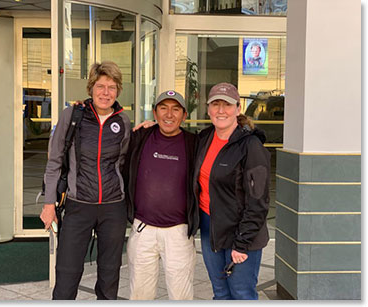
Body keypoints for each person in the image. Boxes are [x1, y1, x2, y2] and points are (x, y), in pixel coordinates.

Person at [40, 61, 131, 300]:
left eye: (112, 87)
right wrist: (49, 204)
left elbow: (122, 162)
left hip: (113, 208)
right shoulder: (73, 116)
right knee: (67, 274)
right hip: (79, 206)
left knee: (110, 276)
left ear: (118, 90)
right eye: (100, 86)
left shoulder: (123, 122)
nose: (105, 92)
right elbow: (54, 162)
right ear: (91, 88)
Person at [193, 82, 270, 300]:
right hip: (211, 228)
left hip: (242, 231)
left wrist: (242, 243)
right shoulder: (204, 139)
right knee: (220, 292)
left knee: (241, 293)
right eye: (215, 104)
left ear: (237, 108)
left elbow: (259, 202)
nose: (220, 110)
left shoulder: (251, 146)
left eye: (226, 105)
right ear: (208, 110)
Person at [124, 90, 199, 300]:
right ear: (154, 113)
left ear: (184, 115)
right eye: (163, 108)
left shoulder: (195, 143)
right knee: (140, 294)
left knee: (180, 295)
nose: (169, 114)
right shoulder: (139, 137)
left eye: (176, 109)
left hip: (179, 232)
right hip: (143, 229)